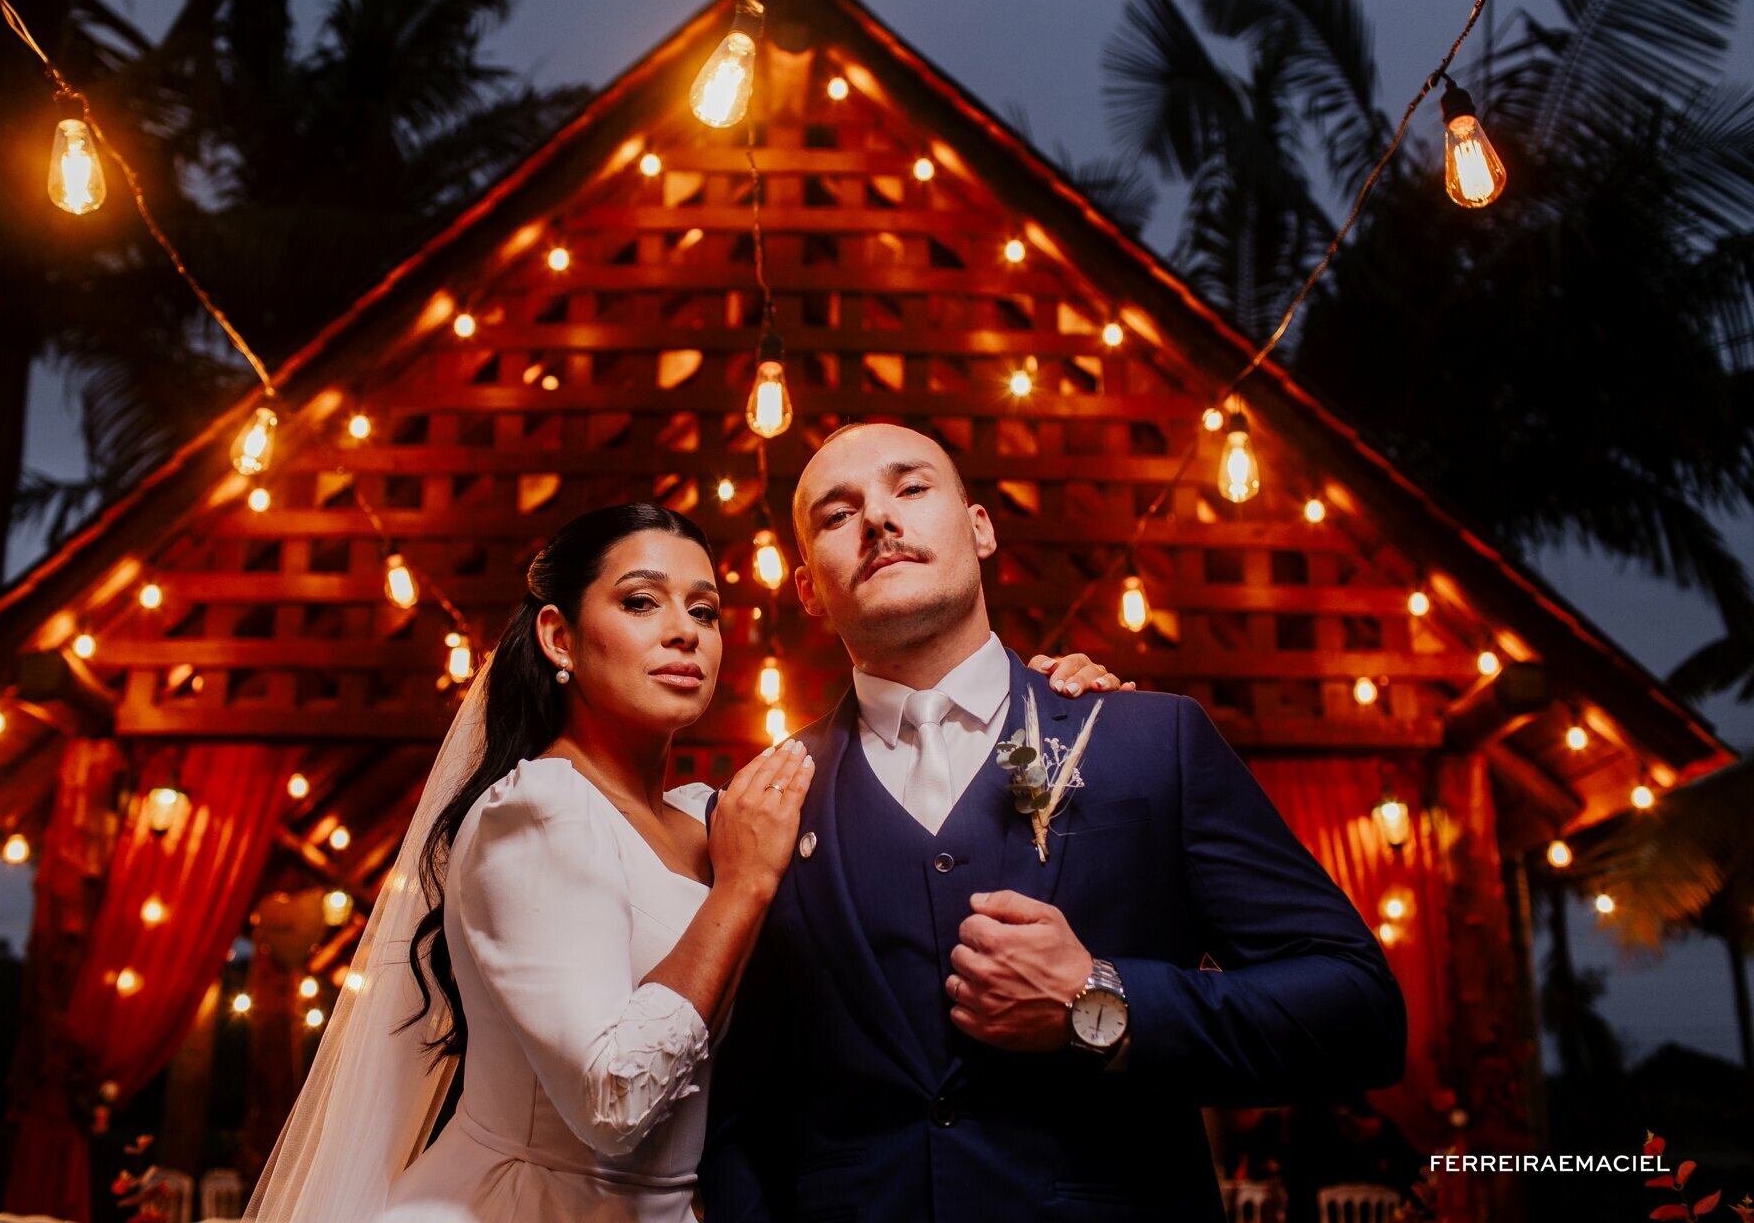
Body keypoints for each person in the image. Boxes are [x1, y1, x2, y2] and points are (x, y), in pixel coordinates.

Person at [242, 502, 1120, 1223]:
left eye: (704, 612)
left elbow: (913, 788)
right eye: (641, 603)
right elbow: (613, 1099)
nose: (684, 633)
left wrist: (1040, 705)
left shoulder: (712, 816)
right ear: (558, 638)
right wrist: (741, 888)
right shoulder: (535, 811)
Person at [699, 424, 1409, 1222]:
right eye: (837, 514)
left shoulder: (1153, 742)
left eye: (911, 487)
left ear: (980, 528)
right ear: (807, 588)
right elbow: (739, 1120)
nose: (878, 518)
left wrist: (1101, 1003)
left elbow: (1360, 1013)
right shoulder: (760, 804)